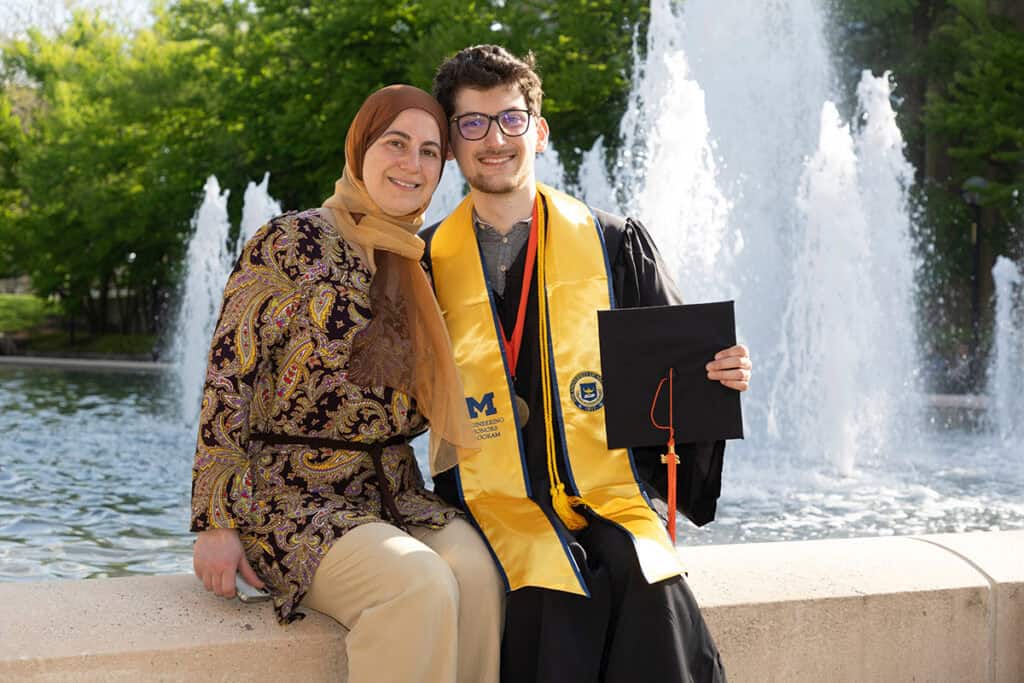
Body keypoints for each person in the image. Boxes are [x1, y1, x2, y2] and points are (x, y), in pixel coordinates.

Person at [421, 46, 752, 682]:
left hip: (604, 491)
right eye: (472, 124)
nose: (494, 139)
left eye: (511, 120)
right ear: (453, 144)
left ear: (538, 132)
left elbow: (672, 367)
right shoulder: (424, 262)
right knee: (545, 593)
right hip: (486, 500)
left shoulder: (611, 243)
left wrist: (719, 377)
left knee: (648, 582)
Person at [189, 84, 503, 683]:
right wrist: (217, 521)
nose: (412, 164)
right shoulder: (288, 243)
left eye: (430, 152)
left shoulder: (422, 263)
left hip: (392, 493)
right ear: (360, 148)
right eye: (396, 143)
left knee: (480, 574)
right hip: (286, 498)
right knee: (417, 583)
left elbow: (483, 376)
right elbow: (229, 381)